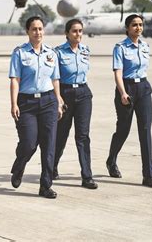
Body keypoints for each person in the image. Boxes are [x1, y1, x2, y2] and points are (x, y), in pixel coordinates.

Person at [9, 16, 63, 199]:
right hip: (27, 102)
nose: (38, 32)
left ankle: (45, 185)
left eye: (40, 29)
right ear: (28, 32)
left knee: (49, 145)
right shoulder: (20, 53)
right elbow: (15, 80)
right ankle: (19, 166)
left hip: (48, 101)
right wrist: (14, 103)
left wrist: (59, 100)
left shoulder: (51, 53)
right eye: (34, 29)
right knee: (29, 143)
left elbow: (55, 79)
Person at [106, 14, 152, 187]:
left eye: (140, 24)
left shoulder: (145, 46)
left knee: (145, 130)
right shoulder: (120, 48)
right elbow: (118, 72)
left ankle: (148, 174)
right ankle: (111, 160)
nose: (138, 28)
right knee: (123, 129)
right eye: (134, 25)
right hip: (127, 89)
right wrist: (122, 93)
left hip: (143, 89)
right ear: (127, 28)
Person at [53, 19, 97, 189]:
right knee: (61, 135)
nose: (78, 34)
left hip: (84, 94)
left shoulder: (86, 50)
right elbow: (55, 77)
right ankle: (52, 166)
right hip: (65, 93)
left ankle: (87, 176)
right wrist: (58, 98)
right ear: (67, 33)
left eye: (80, 31)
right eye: (74, 31)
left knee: (83, 136)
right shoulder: (58, 52)